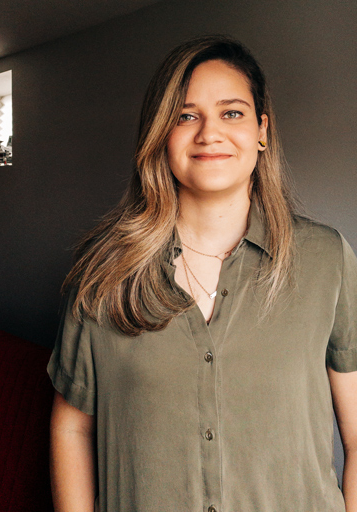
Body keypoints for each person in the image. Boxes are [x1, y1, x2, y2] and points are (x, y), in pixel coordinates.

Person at [47, 35, 357, 512]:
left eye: (231, 112)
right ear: (160, 134)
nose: (209, 132)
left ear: (261, 130)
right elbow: (73, 426)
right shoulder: (104, 271)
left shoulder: (325, 258)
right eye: (185, 115)